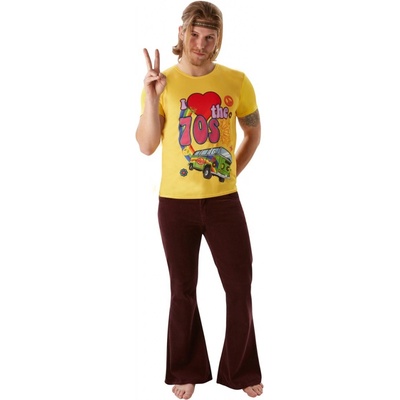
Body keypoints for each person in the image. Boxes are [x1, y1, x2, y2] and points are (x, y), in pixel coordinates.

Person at [135, 2, 263, 398]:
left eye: (209, 37)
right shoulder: (163, 83)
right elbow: (147, 146)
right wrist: (150, 95)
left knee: (239, 286)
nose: (200, 44)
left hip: (225, 203)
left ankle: (241, 370)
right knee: (182, 289)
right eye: (194, 34)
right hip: (175, 205)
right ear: (182, 33)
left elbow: (254, 133)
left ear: (218, 39)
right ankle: (186, 369)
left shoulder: (237, 81)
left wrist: (230, 173)